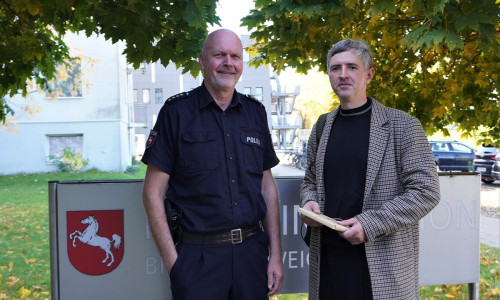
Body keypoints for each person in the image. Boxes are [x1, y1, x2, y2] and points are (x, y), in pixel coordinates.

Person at [141, 28, 284, 300]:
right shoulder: (176, 113)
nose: (228, 62)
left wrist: (275, 255)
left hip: (251, 256)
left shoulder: (256, 113)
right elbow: (152, 193)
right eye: (219, 55)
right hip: (198, 260)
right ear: (202, 60)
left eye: (235, 56)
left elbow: (267, 188)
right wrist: (176, 265)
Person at [299, 39, 440, 300]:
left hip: (382, 264)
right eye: (335, 68)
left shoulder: (403, 125)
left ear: (369, 74)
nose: (343, 74)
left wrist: (370, 224)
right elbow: (310, 181)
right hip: (328, 261)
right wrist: (309, 202)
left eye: (352, 67)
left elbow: (426, 191)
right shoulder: (321, 127)